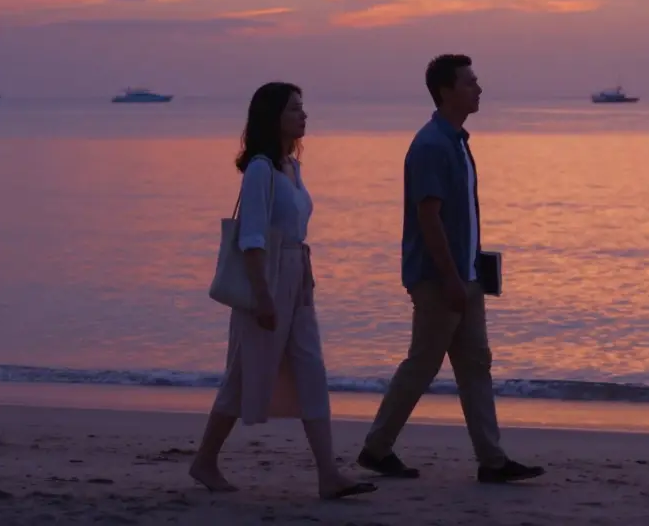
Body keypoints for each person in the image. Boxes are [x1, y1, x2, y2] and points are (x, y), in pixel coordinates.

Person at [358, 55, 545, 484]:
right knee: (423, 364)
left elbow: (460, 219)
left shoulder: (457, 142)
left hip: (465, 277)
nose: (478, 89)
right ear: (446, 90)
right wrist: (449, 279)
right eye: (470, 83)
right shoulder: (431, 146)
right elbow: (429, 217)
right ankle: (376, 447)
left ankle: (492, 460)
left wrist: (470, 274)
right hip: (440, 279)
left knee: (475, 364)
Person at [189, 82, 377, 501]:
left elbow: (294, 230)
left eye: (302, 108)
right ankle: (205, 460)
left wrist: (303, 280)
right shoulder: (260, 169)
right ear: (273, 117)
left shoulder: (292, 167)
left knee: (311, 369)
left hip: (297, 274)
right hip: (268, 277)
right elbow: (251, 238)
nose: (303, 115)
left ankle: (328, 472)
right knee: (244, 372)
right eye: (295, 109)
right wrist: (263, 296)